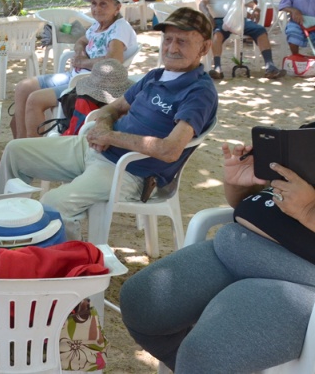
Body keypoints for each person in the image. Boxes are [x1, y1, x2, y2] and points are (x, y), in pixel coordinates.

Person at [0, 8, 218, 240]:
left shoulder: (199, 92)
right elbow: (114, 107)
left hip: (128, 171)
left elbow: (170, 150)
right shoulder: (155, 76)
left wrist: (110, 137)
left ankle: (68, 270)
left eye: (182, 41)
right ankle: (3, 225)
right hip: (95, 148)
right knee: (15, 151)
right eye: (168, 39)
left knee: (53, 204)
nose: (172, 48)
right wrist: (103, 126)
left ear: (204, 47)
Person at [120, 140, 315, 373]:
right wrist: (240, 186)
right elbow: (274, 206)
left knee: (205, 356)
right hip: (231, 248)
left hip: (294, 278)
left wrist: (309, 212)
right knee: (141, 304)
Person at [12, 0, 138, 139]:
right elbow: (81, 41)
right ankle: (18, 143)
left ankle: (31, 152)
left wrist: (82, 63)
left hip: (91, 84)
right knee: (23, 87)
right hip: (75, 75)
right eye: (94, 3)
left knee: (35, 100)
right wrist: (79, 52)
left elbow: (113, 61)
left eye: (103, 4)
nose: (97, 8)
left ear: (117, 8)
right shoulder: (97, 25)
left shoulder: (120, 28)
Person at [199, 0, 285, 79]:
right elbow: (202, 3)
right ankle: (217, 68)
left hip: (240, 20)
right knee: (217, 34)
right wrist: (208, 16)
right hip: (219, 20)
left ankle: (270, 66)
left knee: (260, 30)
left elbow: (250, 3)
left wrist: (255, 8)